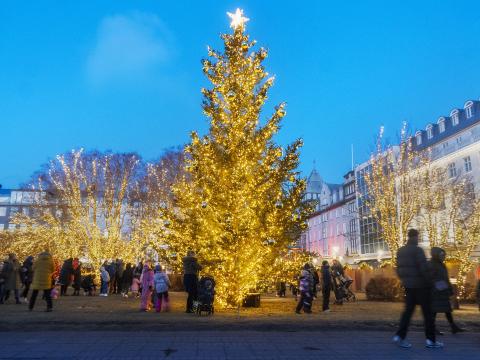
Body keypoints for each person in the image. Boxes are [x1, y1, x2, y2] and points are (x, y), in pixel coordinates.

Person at [393, 229, 442, 349]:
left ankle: (400, 336)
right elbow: (423, 269)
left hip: (409, 287)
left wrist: (404, 280)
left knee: (407, 313)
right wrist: (431, 282)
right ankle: (431, 341)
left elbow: (399, 269)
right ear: (415, 237)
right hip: (421, 287)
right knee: (428, 314)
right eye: (418, 237)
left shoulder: (401, 251)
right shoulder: (418, 250)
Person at [429, 247, 464, 334]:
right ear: (436, 255)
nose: (444, 257)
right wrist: (439, 285)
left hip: (442, 291)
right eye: (442, 255)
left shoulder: (442, 265)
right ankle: (432, 328)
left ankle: (453, 327)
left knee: (447, 310)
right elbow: (430, 278)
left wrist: (449, 289)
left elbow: (445, 278)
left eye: (444, 255)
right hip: (435, 292)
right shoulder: (431, 264)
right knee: (434, 311)